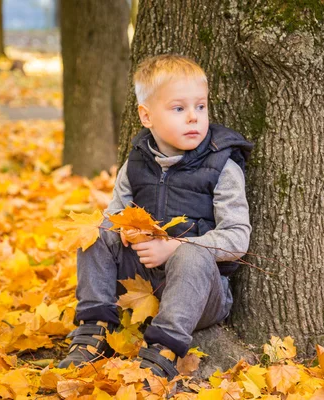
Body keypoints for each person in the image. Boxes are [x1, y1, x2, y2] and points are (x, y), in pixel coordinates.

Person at [58, 54, 253, 379]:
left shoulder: (222, 167)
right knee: (98, 229)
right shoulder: (135, 164)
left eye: (200, 107)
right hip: (139, 283)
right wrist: (126, 230)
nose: (193, 118)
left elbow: (237, 238)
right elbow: (117, 214)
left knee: (192, 254)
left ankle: (163, 351)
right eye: (179, 109)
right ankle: (96, 328)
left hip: (199, 292)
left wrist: (175, 246)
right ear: (146, 116)